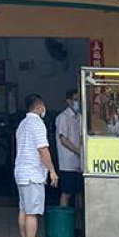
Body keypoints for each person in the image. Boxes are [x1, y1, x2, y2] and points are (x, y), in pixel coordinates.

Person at [14, 93, 58, 237]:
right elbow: (43, 149)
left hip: (21, 171)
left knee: (23, 209)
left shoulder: (22, 124)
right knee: (32, 212)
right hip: (33, 173)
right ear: (39, 106)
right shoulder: (37, 123)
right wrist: (52, 171)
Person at [55, 89, 83, 217]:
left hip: (79, 162)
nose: (78, 102)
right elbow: (63, 139)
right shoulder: (63, 117)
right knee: (67, 193)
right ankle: (63, 223)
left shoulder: (80, 117)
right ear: (68, 101)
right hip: (67, 162)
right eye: (76, 99)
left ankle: (79, 224)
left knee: (79, 193)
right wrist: (78, 151)